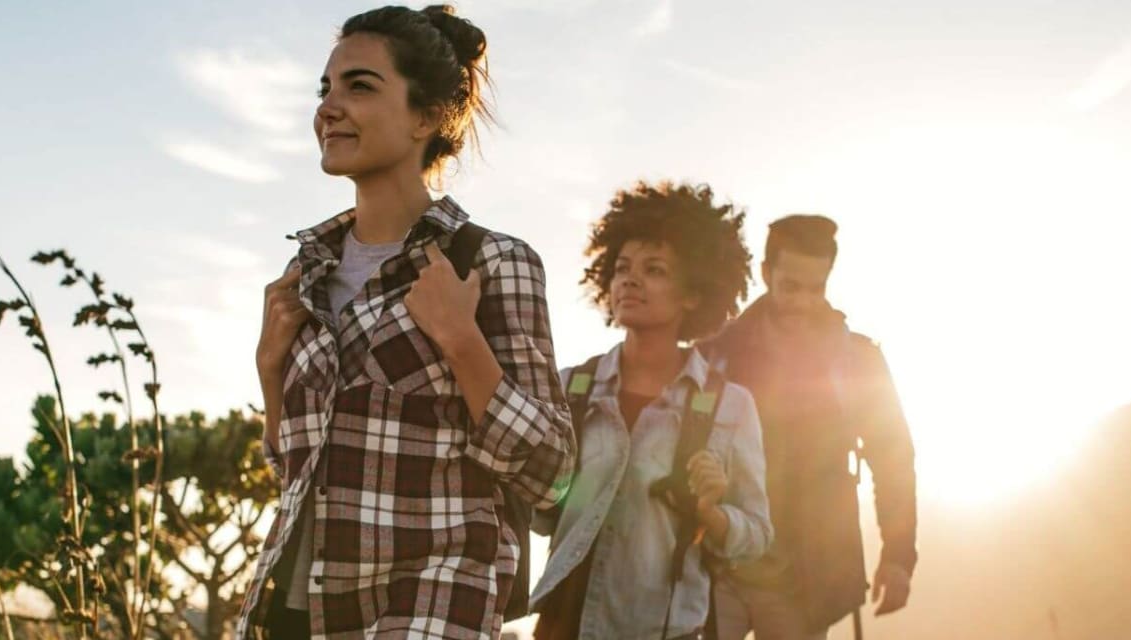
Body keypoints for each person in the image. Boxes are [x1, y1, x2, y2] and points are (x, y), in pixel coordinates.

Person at [238, 5, 576, 638]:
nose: (329, 107)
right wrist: (268, 373)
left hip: (429, 606)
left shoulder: (490, 261)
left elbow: (552, 473)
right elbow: (300, 476)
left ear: (426, 117)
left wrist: (462, 340)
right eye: (326, 88)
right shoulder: (305, 271)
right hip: (298, 607)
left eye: (359, 86)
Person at [530, 181, 773, 640]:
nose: (630, 280)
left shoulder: (729, 406)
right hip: (561, 627)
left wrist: (711, 512)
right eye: (622, 268)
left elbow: (757, 535)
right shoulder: (571, 388)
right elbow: (542, 516)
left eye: (655, 270)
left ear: (694, 295)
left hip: (663, 629)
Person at [698, 215, 917, 640]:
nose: (802, 300)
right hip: (716, 569)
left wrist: (898, 557)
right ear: (766, 274)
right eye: (790, 286)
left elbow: (894, 461)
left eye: (815, 288)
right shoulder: (715, 354)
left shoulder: (857, 360)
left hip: (807, 583)